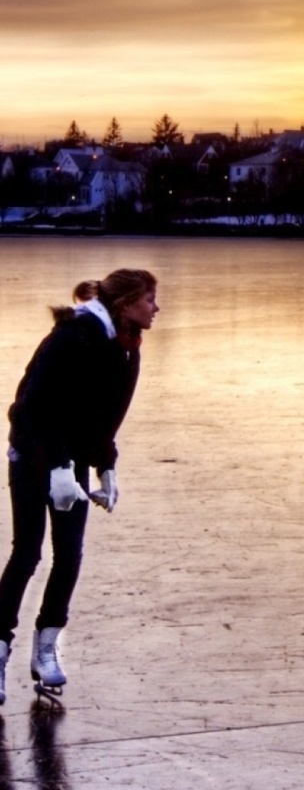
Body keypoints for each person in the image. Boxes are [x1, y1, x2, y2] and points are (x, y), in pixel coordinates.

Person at [0, 269, 159, 703]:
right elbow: (29, 409)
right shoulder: (74, 337)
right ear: (125, 303)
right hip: (33, 455)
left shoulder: (127, 346)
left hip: (70, 459)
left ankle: (46, 648)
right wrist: (56, 467)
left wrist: (106, 466)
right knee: (28, 551)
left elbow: (103, 417)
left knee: (69, 554)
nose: (156, 308)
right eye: (148, 300)